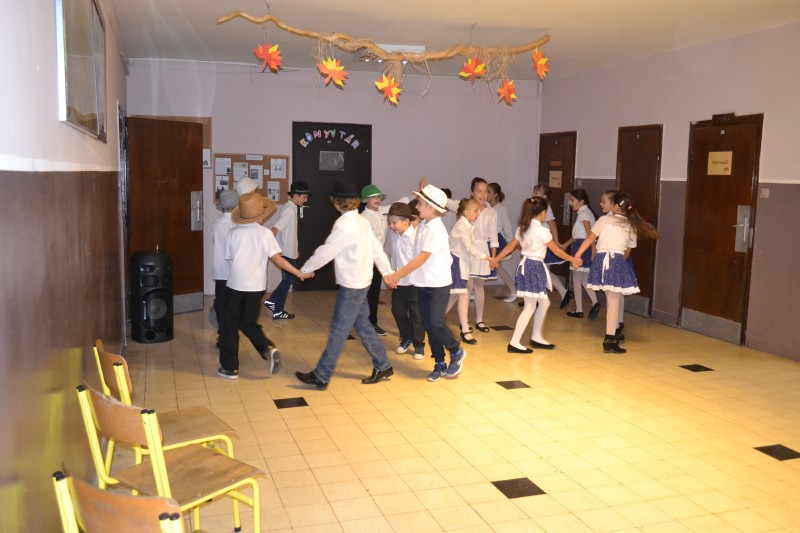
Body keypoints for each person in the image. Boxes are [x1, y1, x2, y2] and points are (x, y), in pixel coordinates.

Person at [295, 180, 395, 389]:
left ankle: (321, 376)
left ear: (337, 202)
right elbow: (377, 249)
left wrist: (305, 269)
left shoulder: (344, 225)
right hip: (363, 281)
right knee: (363, 325)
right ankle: (384, 365)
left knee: (339, 330)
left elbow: (326, 251)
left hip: (352, 285)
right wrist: (387, 272)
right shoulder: (362, 221)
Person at [219, 192, 313, 380]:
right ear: (261, 215)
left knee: (229, 325)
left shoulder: (234, 233)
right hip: (257, 288)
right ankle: (267, 348)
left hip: (235, 285)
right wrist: (299, 273)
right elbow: (277, 259)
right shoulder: (265, 234)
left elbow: (230, 257)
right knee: (248, 323)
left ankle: (230, 368)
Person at [385, 183, 466, 382]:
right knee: (429, 325)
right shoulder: (423, 225)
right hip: (422, 283)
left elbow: (421, 258)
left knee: (436, 324)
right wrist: (400, 276)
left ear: (431, 207)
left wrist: (396, 275)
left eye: (420, 203)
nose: (417, 207)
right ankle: (439, 363)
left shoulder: (435, 229)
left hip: (438, 284)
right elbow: (413, 256)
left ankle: (456, 351)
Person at [491, 198, 582, 353]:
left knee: (544, 303)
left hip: (527, 266)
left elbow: (510, 247)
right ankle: (514, 342)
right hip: (534, 268)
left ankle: (536, 337)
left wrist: (496, 259)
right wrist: (573, 259)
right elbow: (556, 251)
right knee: (530, 306)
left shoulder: (523, 228)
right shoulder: (542, 231)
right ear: (543, 213)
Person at [573, 192, 659, 353]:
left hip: (602, 261)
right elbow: (628, 251)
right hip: (617, 261)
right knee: (614, 301)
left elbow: (590, 238)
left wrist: (577, 255)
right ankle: (610, 339)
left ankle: (611, 337)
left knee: (612, 301)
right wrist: (619, 263)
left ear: (615, 206)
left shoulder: (604, 220)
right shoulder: (631, 225)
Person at [263, 181, 312, 320]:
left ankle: (272, 301)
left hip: (290, 252)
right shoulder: (289, 210)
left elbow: (289, 233)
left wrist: (295, 250)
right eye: (304, 197)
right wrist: (268, 246)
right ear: (295, 195)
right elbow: (275, 228)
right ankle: (278, 309)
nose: (305, 200)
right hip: (285, 253)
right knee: (288, 280)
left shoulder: (291, 207)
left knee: (288, 280)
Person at [445, 198, 489, 345]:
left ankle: (434, 320)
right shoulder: (461, 226)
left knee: (455, 296)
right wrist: (486, 257)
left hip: (462, 262)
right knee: (463, 294)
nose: (478, 213)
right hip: (457, 263)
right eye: (475, 210)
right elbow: (469, 248)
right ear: (466, 212)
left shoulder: (467, 224)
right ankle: (465, 330)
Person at [387, 202, 426, 359]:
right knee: (397, 311)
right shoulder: (395, 235)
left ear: (406, 221)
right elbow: (394, 257)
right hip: (399, 282)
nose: (391, 226)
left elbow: (418, 262)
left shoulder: (416, 237)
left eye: (394, 223)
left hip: (413, 282)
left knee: (416, 315)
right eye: (390, 223)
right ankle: (407, 336)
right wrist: (392, 275)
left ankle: (419, 345)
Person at [561, 189, 600, 319]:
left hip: (582, 247)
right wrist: (565, 245)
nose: (570, 203)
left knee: (577, 280)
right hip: (584, 246)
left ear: (581, 201)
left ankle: (579, 310)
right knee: (584, 280)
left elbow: (589, 234)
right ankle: (595, 303)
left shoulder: (583, 214)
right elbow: (577, 235)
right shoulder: (586, 212)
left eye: (572, 200)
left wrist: (594, 250)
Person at [466, 177, 498, 334]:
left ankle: (479, 319)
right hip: (468, 250)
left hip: (483, 251)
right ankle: (464, 321)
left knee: (479, 286)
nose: (483, 194)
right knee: (467, 287)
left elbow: (494, 237)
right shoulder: (467, 208)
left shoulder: (492, 212)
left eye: (485, 191)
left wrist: (494, 259)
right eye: (479, 191)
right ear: (472, 192)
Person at [532, 182, 571, 308]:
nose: (533, 194)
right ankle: (539, 297)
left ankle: (541, 297)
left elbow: (552, 225)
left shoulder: (546, 208)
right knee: (543, 271)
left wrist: (557, 242)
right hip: (537, 241)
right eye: (533, 192)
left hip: (544, 242)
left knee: (543, 271)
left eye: (537, 192)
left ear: (544, 196)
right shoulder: (534, 206)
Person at [360, 184, 390, 336]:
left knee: (374, 292)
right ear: (365, 200)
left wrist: (417, 195)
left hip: (377, 258)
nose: (377, 199)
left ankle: (371, 322)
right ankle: (365, 323)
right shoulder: (363, 218)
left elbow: (400, 203)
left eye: (378, 197)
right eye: (373, 197)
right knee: (366, 292)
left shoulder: (381, 212)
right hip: (367, 258)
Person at [211, 189, 239, 349]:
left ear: (221, 207)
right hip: (236, 272)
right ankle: (231, 334)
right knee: (233, 305)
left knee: (220, 303)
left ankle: (223, 335)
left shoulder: (216, 224)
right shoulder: (238, 225)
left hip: (220, 270)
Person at [488, 182, 518, 303]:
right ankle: (473, 292)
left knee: (498, 268)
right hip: (487, 240)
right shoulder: (486, 207)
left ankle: (514, 291)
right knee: (483, 267)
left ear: (495, 195)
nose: (485, 194)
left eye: (488, 192)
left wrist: (512, 243)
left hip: (497, 241)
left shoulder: (501, 209)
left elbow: (507, 227)